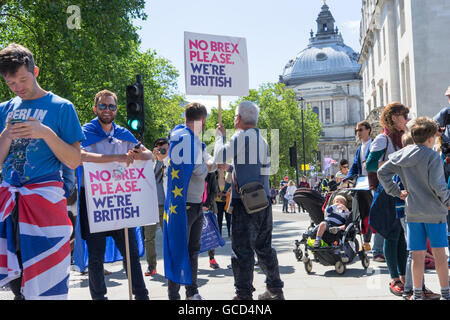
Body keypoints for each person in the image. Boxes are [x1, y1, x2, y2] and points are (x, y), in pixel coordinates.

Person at [0, 43, 85, 300]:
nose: (17, 87)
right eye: (10, 82)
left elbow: (74, 161)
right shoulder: (4, 109)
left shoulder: (62, 107)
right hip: (9, 203)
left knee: (49, 275)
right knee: (18, 280)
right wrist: (6, 134)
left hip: (45, 203)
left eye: (22, 79)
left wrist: (45, 133)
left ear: (35, 71)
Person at [78, 89, 152, 300]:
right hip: (94, 201)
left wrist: (138, 153)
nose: (107, 110)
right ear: (95, 109)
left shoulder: (123, 133)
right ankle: (99, 297)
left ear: (116, 110)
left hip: (120, 200)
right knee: (95, 256)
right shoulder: (85, 132)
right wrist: (117, 157)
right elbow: (79, 155)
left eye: (111, 106)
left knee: (131, 253)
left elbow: (147, 155)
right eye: (103, 106)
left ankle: (141, 294)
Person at [214, 100, 284, 300]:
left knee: (242, 250)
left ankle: (243, 295)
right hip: (263, 201)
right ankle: (275, 288)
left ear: (239, 118)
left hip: (244, 203)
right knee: (264, 248)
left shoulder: (241, 136)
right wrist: (234, 170)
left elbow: (220, 156)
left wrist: (220, 137)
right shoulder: (262, 139)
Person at [378, 117, 450, 300]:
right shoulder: (432, 155)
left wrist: (396, 191)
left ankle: (417, 293)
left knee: (416, 256)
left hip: (413, 212)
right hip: (435, 212)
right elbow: (438, 185)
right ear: (430, 138)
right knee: (440, 255)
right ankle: (445, 294)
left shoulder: (401, 155)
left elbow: (382, 172)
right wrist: (448, 201)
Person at [163, 102, 216, 300]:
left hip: (194, 204)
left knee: (192, 250)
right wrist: (209, 166)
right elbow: (200, 169)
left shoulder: (192, 140)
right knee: (180, 250)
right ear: (202, 120)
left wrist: (207, 162)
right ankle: (175, 295)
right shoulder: (185, 139)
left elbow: (206, 158)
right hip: (184, 205)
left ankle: (191, 292)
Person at [366, 102, 409, 296]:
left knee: (400, 236)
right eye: (403, 116)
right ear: (393, 118)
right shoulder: (383, 139)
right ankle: (394, 278)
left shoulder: (402, 138)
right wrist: (394, 163)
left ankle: (403, 277)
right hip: (388, 192)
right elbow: (370, 164)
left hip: (400, 191)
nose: (406, 120)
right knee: (393, 235)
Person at [143, 137, 169, 276]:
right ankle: (151, 265)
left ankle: (171, 264)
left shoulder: (171, 162)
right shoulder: (150, 163)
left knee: (169, 236)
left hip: (166, 205)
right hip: (150, 206)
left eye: (164, 148)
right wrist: (153, 158)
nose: (162, 151)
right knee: (149, 238)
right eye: (159, 148)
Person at [347, 120, 374, 253]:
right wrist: (347, 178)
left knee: (369, 213)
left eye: (361, 129)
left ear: (368, 130)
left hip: (372, 183)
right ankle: (361, 241)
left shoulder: (373, 144)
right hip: (361, 183)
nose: (358, 133)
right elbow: (355, 167)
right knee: (359, 213)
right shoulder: (359, 148)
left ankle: (368, 241)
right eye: (357, 130)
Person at [216, 169, 232, 237]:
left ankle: (229, 232)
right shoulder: (215, 181)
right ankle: (219, 233)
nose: (221, 172)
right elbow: (212, 191)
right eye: (220, 171)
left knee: (228, 218)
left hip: (226, 202)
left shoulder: (227, 181)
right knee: (219, 218)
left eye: (222, 171)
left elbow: (231, 190)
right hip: (218, 202)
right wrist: (219, 194)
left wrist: (227, 193)